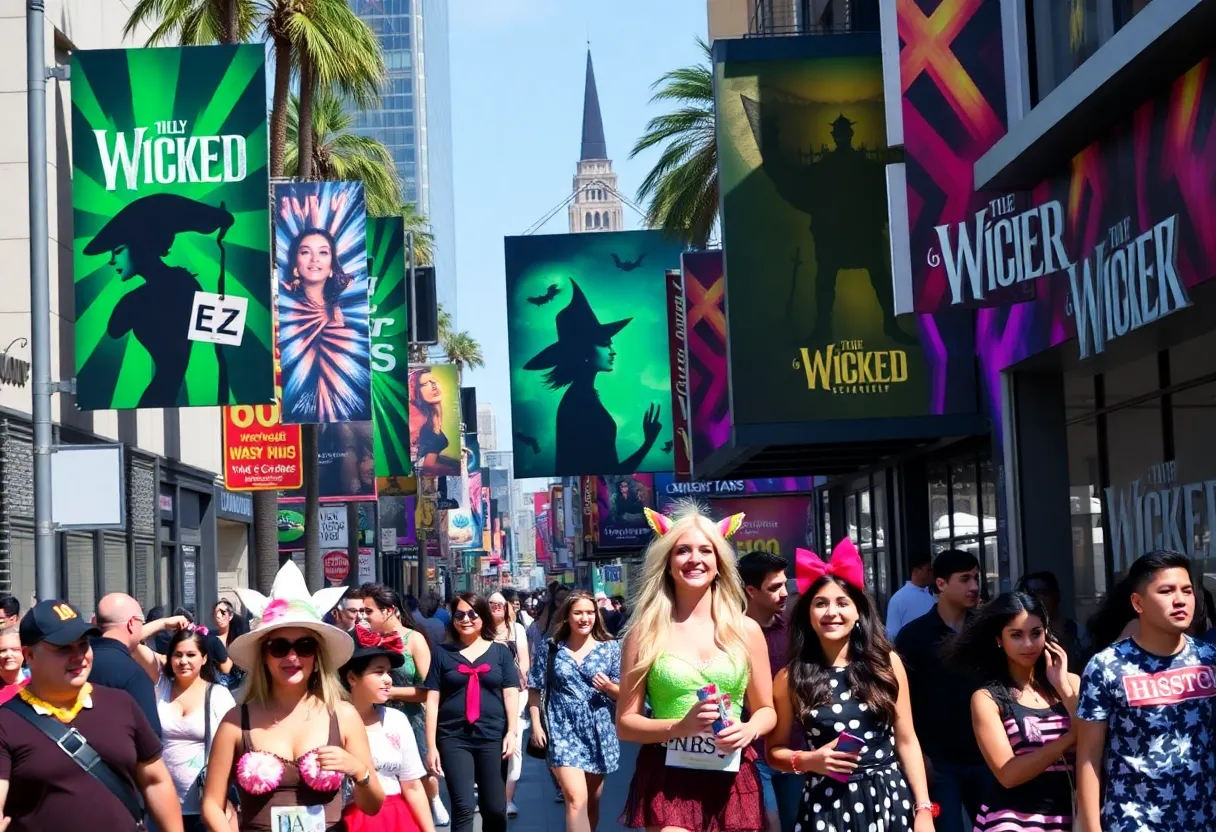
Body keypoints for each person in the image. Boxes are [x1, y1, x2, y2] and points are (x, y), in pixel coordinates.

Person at [617, 505, 775, 832]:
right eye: (683, 550)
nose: (695, 559)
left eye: (706, 550)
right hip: (668, 776)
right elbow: (626, 724)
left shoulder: (746, 630)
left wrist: (748, 729)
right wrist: (679, 726)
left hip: (732, 773)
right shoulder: (644, 633)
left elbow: (766, 710)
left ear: (719, 564)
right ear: (667, 563)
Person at [200, 561, 384, 831]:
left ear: (317, 656)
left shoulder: (343, 715)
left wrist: (359, 771)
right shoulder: (236, 721)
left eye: (305, 646)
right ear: (264, 656)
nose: (292, 657)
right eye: (279, 647)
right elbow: (212, 804)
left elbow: (373, 805)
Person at [767, 540, 933, 832]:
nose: (832, 612)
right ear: (808, 613)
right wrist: (809, 760)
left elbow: (907, 740)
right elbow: (774, 752)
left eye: (843, 603)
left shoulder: (886, 664)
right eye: (821, 603)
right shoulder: (789, 678)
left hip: (889, 800)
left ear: (858, 613)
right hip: (825, 807)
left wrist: (923, 809)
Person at [0, 599, 183, 832]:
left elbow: (155, 780)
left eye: (83, 644)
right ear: (30, 656)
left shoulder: (121, 703)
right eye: (64, 647)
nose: (79, 656)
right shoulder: (6, 723)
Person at [1074, 550, 1216, 832]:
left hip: (1204, 820)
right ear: (1137, 603)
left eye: (1187, 590)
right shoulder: (1107, 667)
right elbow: (1089, 756)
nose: (1180, 600)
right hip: (1133, 822)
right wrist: (1090, 827)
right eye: (1166, 591)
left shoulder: (1209, 659)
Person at [945, 592, 1078, 832]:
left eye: (1036, 633)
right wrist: (1068, 739)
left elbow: (1094, 742)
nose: (1028, 644)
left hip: (1072, 817)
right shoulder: (988, 699)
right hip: (1014, 821)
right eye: (1016, 635)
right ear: (999, 639)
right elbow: (1008, 774)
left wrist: (1063, 688)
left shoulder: (1072, 684)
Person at [522, 280, 662, 474]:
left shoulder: (582, 397)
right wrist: (648, 443)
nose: (613, 352)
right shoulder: (580, 403)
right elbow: (611, 473)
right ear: (584, 352)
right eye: (605, 345)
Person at [894, 548, 988, 832]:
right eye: (964, 579)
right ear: (941, 584)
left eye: (976, 577)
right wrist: (918, 755)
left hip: (986, 754)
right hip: (938, 760)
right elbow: (902, 700)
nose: (974, 586)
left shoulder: (986, 632)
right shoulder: (914, 635)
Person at [424, 592, 519, 832]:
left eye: (472, 614)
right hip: (453, 737)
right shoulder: (442, 653)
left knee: (495, 809)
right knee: (463, 806)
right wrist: (431, 746)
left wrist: (512, 732)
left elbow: (510, 692)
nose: (466, 619)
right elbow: (432, 699)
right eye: (459, 615)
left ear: (483, 617)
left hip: (492, 736)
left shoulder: (501, 652)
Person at [354, 583, 446, 827]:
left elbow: (429, 689)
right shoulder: (363, 641)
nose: (363, 617)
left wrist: (389, 691)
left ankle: (432, 801)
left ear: (388, 611)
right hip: (370, 720)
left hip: (410, 717)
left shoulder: (413, 639)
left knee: (416, 775)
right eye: (360, 611)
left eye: (368, 611)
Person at [528, 591, 621, 832]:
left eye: (590, 613)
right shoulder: (551, 649)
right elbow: (535, 687)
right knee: (575, 799)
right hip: (562, 729)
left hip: (599, 731)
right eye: (578, 613)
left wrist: (611, 688)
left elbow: (627, 693)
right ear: (567, 616)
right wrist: (536, 725)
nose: (584, 618)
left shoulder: (610, 648)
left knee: (591, 803)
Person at [338, 626, 436, 832]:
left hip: (397, 820)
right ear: (352, 678)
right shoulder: (331, 722)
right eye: (378, 672)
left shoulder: (396, 720)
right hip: (348, 821)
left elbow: (413, 785)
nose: (388, 679)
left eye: (388, 672)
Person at [279, 225, 372, 424]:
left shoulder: (345, 311)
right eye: (305, 252)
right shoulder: (283, 307)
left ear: (331, 265)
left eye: (323, 252)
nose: (315, 259)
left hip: (346, 410)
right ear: (295, 264)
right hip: (293, 410)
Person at [738, 551, 800, 832]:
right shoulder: (730, 635)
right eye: (774, 587)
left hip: (795, 750)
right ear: (750, 591)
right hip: (750, 756)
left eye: (784, 584)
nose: (785, 593)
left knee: (795, 825)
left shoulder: (796, 632)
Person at [156, 627, 238, 832]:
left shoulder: (219, 695)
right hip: (162, 807)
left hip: (207, 808)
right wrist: (165, 622)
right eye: (178, 655)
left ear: (204, 658)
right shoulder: (159, 689)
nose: (183, 661)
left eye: (191, 655)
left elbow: (237, 747)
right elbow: (130, 643)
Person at [91, 592, 164, 737]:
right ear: (131, 624)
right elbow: (150, 736)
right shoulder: (134, 674)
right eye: (141, 622)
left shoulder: (76, 662)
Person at [488, 591, 530, 818]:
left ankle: (508, 799)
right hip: (487, 694)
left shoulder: (517, 630)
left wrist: (518, 677)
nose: (496, 607)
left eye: (500, 604)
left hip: (515, 692)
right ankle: (492, 794)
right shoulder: (480, 630)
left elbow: (524, 660)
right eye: (492, 604)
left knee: (513, 747)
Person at [1016, 571, 1086, 663]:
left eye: (1041, 592)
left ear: (1055, 595)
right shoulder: (1019, 631)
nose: (1035, 598)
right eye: (1029, 593)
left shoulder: (1077, 631)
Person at [409, 368, 460, 476]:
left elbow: (429, 463)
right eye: (425, 383)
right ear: (414, 390)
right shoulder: (415, 418)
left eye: (434, 381)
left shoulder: (432, 416)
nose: (434, 385)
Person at [885, 551, 936, 640]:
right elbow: (892, 634)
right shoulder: (899, 598)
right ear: (916, 571)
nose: (932, 573)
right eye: (929, 570)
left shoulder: (933, 594)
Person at [213, 599, 250, 691]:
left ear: (230, 616)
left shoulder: (238, 638)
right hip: (218, 688)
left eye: (222, 612)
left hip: (239, 688)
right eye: (216, 613)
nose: (218, 616)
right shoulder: (211, 639)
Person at [0, 626, 27, 705]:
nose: (9, 655)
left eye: (15, 649)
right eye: (2, 650)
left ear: (25, 652)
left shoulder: (37, 682)